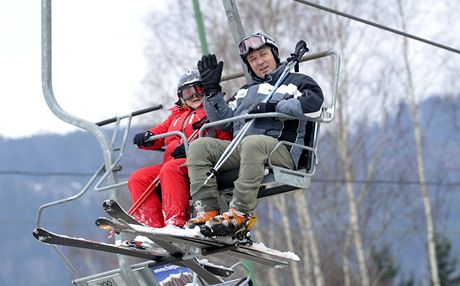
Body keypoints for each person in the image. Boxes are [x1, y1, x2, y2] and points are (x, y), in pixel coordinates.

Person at [185, 32, 324, 237]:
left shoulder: (297, 82)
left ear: (274, 55)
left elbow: (314, 105)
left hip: (280, 149)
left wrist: (275, 105)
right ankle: (207, 210)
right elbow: (222, 119)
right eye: (253, 59)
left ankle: (240, 213)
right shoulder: (245, 91)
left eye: (263, 54)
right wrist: (212, 92)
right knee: (199, 146)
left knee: (253, 143)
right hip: (244, 149)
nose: (259, 62)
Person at [128, 69, 232, 229]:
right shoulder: (176, 116)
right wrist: (147, 137)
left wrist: (193, 149)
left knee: (170, 169)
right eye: (188, 92)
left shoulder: (213, 110)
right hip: (172, 165)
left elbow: (225, 138)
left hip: (201, 164)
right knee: (138, 178)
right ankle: (150, 228)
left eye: (200, 89)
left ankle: (175, 224)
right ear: (181, 96)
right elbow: (160, 132)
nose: (195, 95)